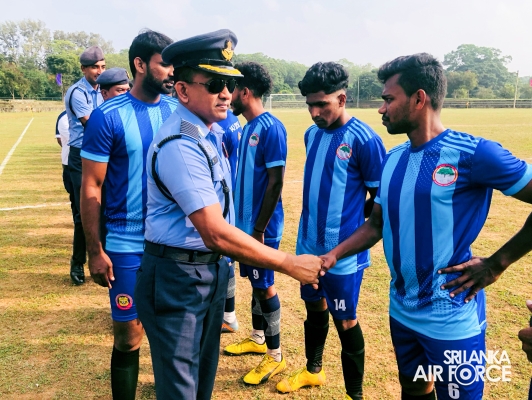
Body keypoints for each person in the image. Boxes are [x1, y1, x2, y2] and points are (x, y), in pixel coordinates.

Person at [319, 53, 532, 400]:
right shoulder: (393, 159)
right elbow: (376, 224)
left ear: (419, 99)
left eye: (389, 99)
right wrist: (333, 255)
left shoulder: (474, 154)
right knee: (414, 388)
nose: (381, 108)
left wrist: (497, 263)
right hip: (402, 310)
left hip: (451, 315)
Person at [134, 29, 322, 400]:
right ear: (182, 90)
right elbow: (215, 232)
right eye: (214, 84)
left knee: (202, 381)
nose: (226, 93)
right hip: (178, 278)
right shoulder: (180, 144)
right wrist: (288, 263)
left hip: (208, 271)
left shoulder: (208, 135)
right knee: (181, 390)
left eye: (230, 84)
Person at [276, 62, 386, 400]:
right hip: (308, 246)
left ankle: (355, 395)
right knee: (314, 308)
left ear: (341, 98)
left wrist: (350, 225)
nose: (314, 113)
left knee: (346, 320)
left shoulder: (365, 140)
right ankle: (313, 371)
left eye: (322, 104)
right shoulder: (312, 134)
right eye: (309, 105)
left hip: (342, 255)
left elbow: (379, 202)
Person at [80, 30, 177, 400]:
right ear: (140, 64)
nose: (171, 71)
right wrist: (94, 250)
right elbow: (91, 186)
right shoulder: (107, 116)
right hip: (125, 243)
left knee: (172, 333)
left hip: (170, 243)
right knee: (128, 335)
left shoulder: (177, 112)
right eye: (164, 64)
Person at [223, 61, 288, 384]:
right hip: (245, 227)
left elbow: (276, 183)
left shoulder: (271, 128)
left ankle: (275, 356)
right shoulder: (246, 127)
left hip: (262, 230)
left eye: (231, 88)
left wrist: (259, 229)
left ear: (245, 92)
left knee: (265, 286)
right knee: (255, 283)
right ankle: (258, 337)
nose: (227, 94)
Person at [64, 45, 105, 285]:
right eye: (94, 67)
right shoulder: (77, 92)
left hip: (102, 153)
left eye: (102, 67)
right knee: (84, 212)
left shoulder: (102, 90)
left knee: (107, 207)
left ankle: (105, 258)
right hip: (81, 156)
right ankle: (78, 262)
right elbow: (92, 125)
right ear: (83, 69)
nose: (99, 71)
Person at [217, 109, 243, 334]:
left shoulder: (221, 122)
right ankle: (228, 314)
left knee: (223, 258)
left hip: (223, 197)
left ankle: (227, 315)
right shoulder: (232, 118)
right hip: (230, 194)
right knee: (227, 258)